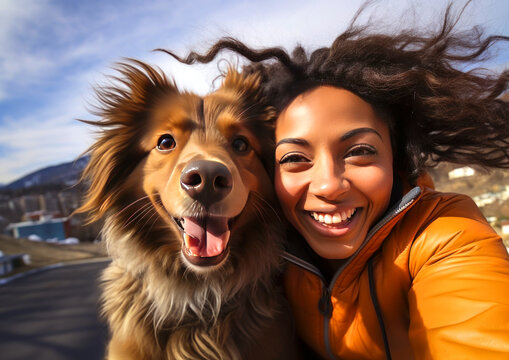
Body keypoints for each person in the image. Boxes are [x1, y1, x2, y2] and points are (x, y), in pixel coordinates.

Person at [164, 4, 509, 359]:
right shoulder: (265, 250)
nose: (329, 185)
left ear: (397, 157)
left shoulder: (446, 234)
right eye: (295, 159)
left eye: (359, 151)